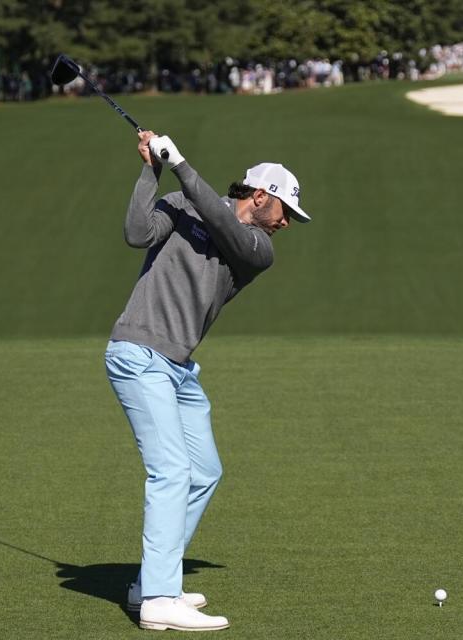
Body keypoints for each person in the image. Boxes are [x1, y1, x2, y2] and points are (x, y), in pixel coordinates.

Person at [104, 131, 311, 631]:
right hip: (137, 352)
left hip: (178, 368)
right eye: (284, 208)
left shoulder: (258, 247)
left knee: (203, 472)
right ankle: (156, 600)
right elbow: (137, 233)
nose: (287, 221)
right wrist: (154, 169)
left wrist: (181, 164)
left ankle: (156, 579)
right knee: (172, 471)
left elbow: (223, 224)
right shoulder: (181, 203)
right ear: (259, 195)